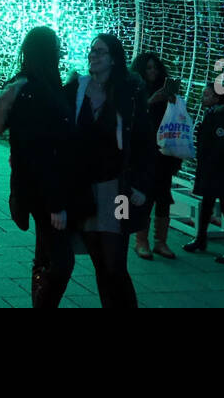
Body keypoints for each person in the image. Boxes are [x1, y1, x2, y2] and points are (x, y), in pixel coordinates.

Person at [0, 26, 76, 308]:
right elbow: (41, 152)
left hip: (31, 187)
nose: (62, 53)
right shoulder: (37, 90)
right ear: (49, 52)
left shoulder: (34, 84)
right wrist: (56, 203)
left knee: (46, 255)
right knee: (61, 262)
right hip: (45, 191)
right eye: (57, 48)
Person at [62, 33, 153, 309]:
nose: (93, 55)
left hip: (118, 190)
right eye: (91, 50)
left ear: (113, 58)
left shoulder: (129, 93)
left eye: (100, 51)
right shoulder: (77, 90)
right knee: (99, 260)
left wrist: (139, 184)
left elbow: (144, 142)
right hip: (85, 191)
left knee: (115, 260)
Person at [183, 83, 224, 264]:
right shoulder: (214, 114)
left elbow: (223, 146)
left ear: (217, 99)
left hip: (220, 172)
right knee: (208, 203)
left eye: (207, 95)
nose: (203, 97)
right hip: (214, 170)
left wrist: (210, 164)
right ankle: (201, 238)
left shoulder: (220, 118)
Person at [131, 52, 183, 260]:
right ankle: (140, 240)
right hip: (145, 152)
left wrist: (173, 101)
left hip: (165, 151)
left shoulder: (165, 92)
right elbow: (131, 116)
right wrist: (151, 101)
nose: (152, 72)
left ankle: (161, 241)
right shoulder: (136, 90)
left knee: (163, 195)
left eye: (155, 68)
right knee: (145, 195)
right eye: (148, 68)